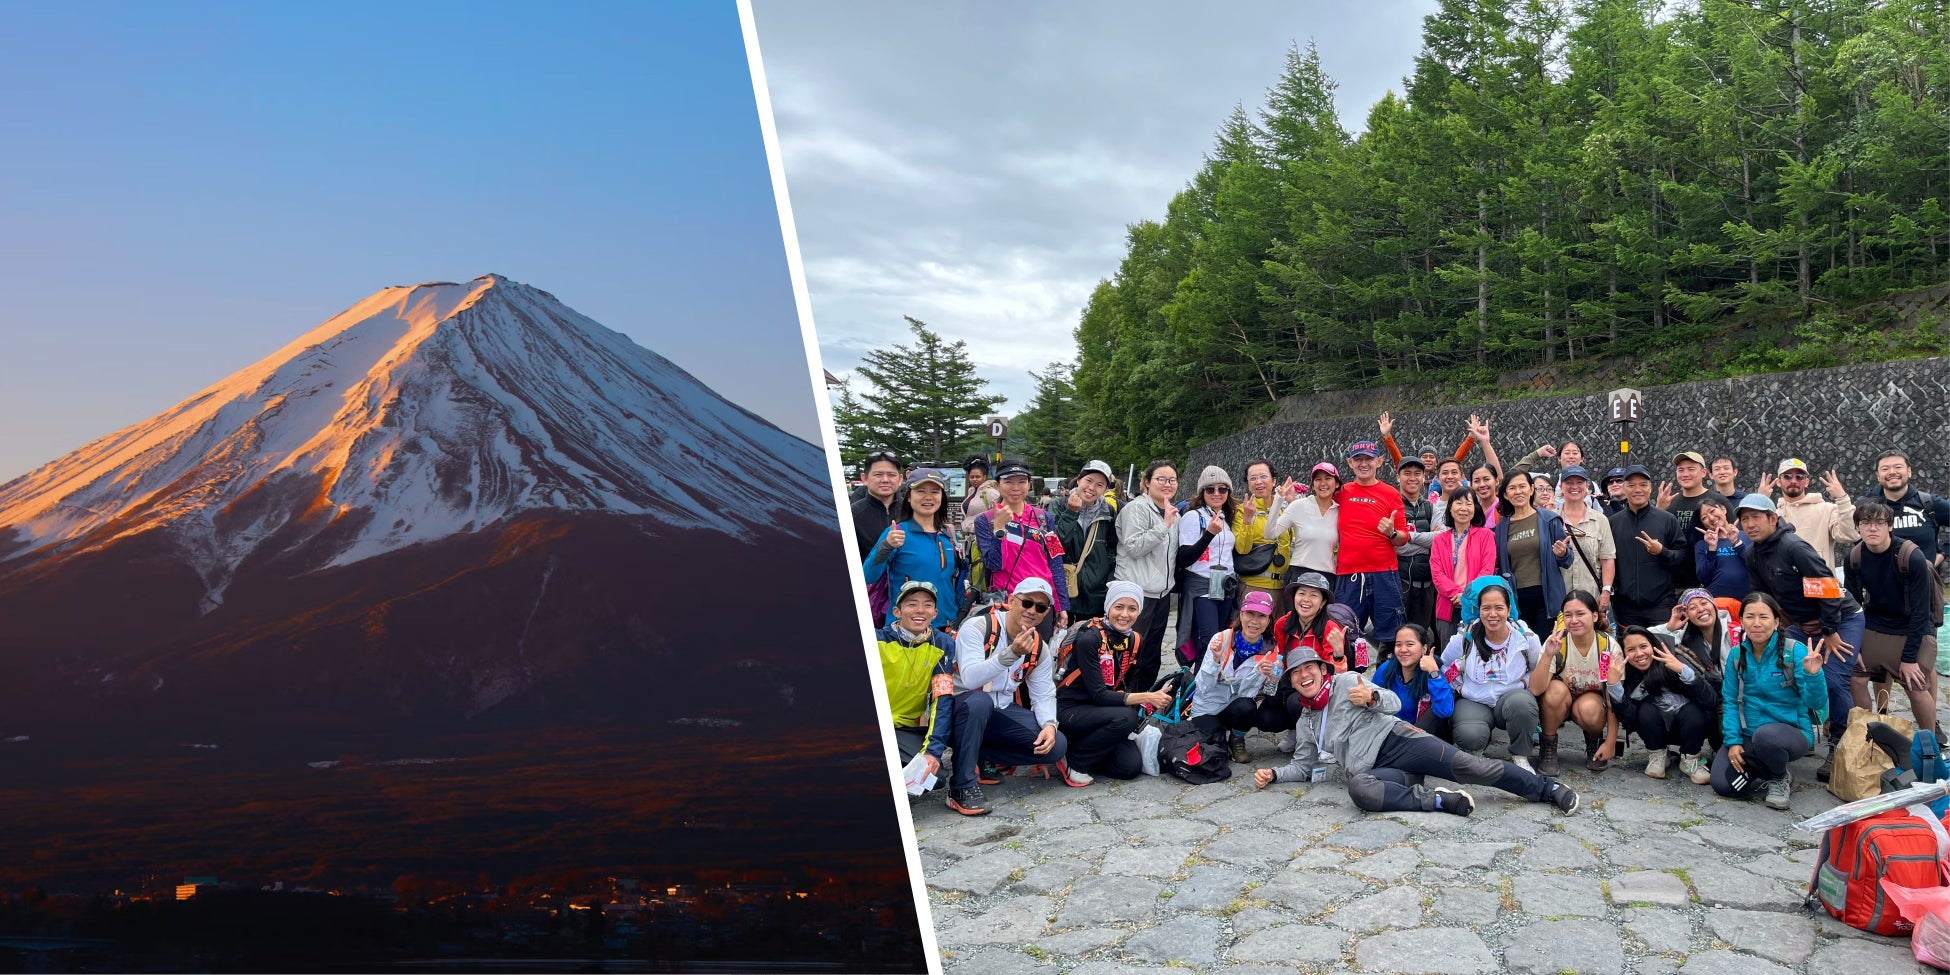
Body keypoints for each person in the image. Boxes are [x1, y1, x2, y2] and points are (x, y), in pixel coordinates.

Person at [1254, 645, 1579, 817]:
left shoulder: (1344, 682)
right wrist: (1274, 774)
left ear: (1322, 670)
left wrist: (1372, 697)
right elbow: (1302, 765)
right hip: (1375, 770)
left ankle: (1546, 790)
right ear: (1293, 683)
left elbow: (1393, 703)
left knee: (1474, 768)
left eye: (1309, 668)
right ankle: (1437, 801)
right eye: (1296, 674)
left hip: (1400, 741)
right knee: (1360, 792)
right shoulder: (1306, 720)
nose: (1304, 676)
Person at [1735, 494, 1865, 783]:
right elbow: (1763, 599)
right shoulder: (1752, 554)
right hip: (1801, 623)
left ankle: (1840, 745)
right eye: (1745, 519)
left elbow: (1829, 587)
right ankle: (1796, 730)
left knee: (1831, 679)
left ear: (1773, 519)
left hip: (1841, 618)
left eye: (1756, 517)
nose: (1750, 524)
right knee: (1783, 666)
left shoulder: (1793, 547)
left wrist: (1830, 632)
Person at [947, 578, 1070, 815]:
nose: (1032, 610)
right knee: (979, 702)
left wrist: (1049, 726)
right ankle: (961, 787)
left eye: (1041, 608)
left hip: (998, 710)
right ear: (1011, 601)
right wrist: (1011, 654)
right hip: (960, 708)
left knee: (1056, 746)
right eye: (1027, 602)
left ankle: (979, 754)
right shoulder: (977, 627)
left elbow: (1043, 694)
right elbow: (972, 679)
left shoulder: (1039, 647)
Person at [1712, 592, 1828, 810]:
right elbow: (1729, 701)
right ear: (1742, 621)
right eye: (1750, 617)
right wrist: (1733, 742)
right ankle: (1767, 766)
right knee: (1723, 785)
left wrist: (1814, 675)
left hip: (1790, 734)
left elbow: (1817, 702)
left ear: (1776, 622)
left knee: (1766, 737)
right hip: (1749, 734)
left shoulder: (1795, 652)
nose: (1757, 623)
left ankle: (1779, 776)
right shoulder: (1737, 656)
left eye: (1763, 617)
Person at [1055, 581, 1174, 783]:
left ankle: (1077, 747)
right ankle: (1076, 761)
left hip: (1104, 711)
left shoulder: (1135, 640)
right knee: (1126, 717)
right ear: (1107, 608)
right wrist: (1148, 697)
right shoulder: (1089, 639)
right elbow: (1099, 695)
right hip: (1072, 709)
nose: (1124, 615)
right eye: (1119, 607)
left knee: (1129, 767)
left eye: (1132, 609)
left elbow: (1125, 685)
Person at [1843, 501, 1939, 741]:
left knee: (1915, 685)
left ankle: (1929, 743)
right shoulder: (1854, 557)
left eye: (1879, 523)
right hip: (1876, 623)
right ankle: (1866, 737)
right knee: (1856, 677)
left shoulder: (1910, 556)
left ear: (1890, 527)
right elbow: (1852, 606)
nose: (1872, 528)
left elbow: (1920, 611)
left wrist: (1908, 659)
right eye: (1865, 523)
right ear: (1858, 527)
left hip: (1912, 626)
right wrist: (1855, 646)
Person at [1440, 578, 1549, 772]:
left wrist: (1524, 683)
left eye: (1499, 608)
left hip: (1511, 698)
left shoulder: (1525, 638)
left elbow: (1536, 667)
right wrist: (1460, 687)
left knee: (1523, 705)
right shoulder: (1465, 637)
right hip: (1474, 699)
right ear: (1478, 610)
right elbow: (1445, 666)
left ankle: (1520, 755)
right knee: (1469, 735)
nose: (1492, 614)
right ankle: (1477, 746)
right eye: (1486, 608)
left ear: (1509, 610)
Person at [1333, 440, 1413, 653]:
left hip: (1384, 573)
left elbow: (1403, 537)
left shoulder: (1391, 493)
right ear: (1350, 463)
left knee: (1393, 635)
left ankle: (1389, 678)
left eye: (1368, 458)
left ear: (1379, 461)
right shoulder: (1340, 492)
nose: (1363, 463)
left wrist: (1392, 533)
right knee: (1344, 633)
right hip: (1349, 574)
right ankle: (1347, 678)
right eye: (1358, 459)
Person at [1189, 590, 1287, 761]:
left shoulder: (1271, 651)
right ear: (1241, 614)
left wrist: (1261, 675)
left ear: (1269, 620)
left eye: (1261, 616)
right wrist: (1215, 661)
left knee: (1247, 707)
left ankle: (1237, 738)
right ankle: (1220, 735)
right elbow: (1203, 687)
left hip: (1236, 706)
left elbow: (1249, 695)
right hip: (1208, 706)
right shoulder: (1221, 639)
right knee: (1215, 752)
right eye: (1250, 613)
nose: (1255, 621)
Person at [876, 581, 956, 791]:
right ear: (897, 611)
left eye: (927, 605)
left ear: (935, 613)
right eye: (912, 604)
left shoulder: (943, 644)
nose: (920, 610)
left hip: (902, 729)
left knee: (934, 778)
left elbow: (942, 699)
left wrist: (933, 751)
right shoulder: (877, 640)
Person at [862, 469, 964, 631]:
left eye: (935, 492)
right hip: (905, 628)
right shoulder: (896, 532)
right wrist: (886, 546)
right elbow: (868, 576)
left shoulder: (949, 533)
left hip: (946, 624)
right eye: (921, 491)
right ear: (909, 497)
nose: (928, 497)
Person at [976, 460, 1070, 633]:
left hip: (1041, 604)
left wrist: (1061, 604)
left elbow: (1055, 562)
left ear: (1029, 484)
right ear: (998, 485)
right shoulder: (985, 520)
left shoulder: (1044, 518)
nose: (1015, 487)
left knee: (1037, 655)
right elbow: (994, 564)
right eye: (1008, 481)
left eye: (1021, 481)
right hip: (1008, 602)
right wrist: (999, 529)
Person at [1617, 625, 1718, 784]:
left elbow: (1711, 700)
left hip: (1689, 726)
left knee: (1694, 711)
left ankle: (1690, 760)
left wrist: (1682, 670)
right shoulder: (1625, 672)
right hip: (1656, 727)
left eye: (1643, 646)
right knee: (1644, 710)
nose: (1639, 654)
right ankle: (1658, 755)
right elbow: (1628, 719)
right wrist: (1614, 687)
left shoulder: (1676, 655)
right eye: (1631, 650)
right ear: (1624, 653)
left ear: (1653, 645)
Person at [1112, 461, 1180, 695]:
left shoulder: (1171, 512)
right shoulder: (1136, 509)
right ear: (1147, 483)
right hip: (1136, 593)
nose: (1167, 484)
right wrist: (1164, 526)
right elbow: (1134, 547)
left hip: (1161, 594)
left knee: (1151, 656)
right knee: (1129, 655)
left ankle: (1146, 703)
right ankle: (1123, 702)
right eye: (1161, 479)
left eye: (1172, 480)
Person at [1536, 591, 1622, 775]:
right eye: (1568, 615)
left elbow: (1613, 697)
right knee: (1554, 691)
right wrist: (1548, 654)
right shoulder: (1558, 642)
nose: (1573, 620)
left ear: (1594, 615)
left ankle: (1594, 741)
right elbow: (1536, 689)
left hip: (1590, 701)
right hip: (1561, 700)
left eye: (1580, 614)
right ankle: (1548, 746)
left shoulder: (1606, 647)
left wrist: (1611, 742)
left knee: (1590, 709)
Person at [1493, 470, 1574, 633]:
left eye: (1522, 486)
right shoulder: (1502, 527)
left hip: (1547, 597)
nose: (1518, 491)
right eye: (1512, 488)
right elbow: (1500, 565)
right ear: (1506, 495)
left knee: (1548, 648)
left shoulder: (1549, 519)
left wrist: (1562, 553)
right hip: (1516, 599)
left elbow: (1568, 560)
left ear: (1531, 490)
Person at [1176, 465, 1239, 668]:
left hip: (1224, 585)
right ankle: (1198, 694)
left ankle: (1213, 686)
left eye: (1222, 489)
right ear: (1202, 492)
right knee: (1209, 641)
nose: (1217, 493)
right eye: (1210, 489)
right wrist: (1209, 534)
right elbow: (1185, 557)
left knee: (1222, 638)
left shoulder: (1226, 518)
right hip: (1202, 586)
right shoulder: (1193, 517)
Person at [1609, 465, 1688, 628]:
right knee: (1631, 651)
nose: (1638, 489)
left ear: (1650, 488)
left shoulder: (1667, 519)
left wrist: (1662, 552)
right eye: (1631, 485)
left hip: (1661, 605)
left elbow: (1682, 556)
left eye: (1643, 484)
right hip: (1626, 607)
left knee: (1662, 650)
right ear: (1624, 488)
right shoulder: (1613, 522)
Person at [1048, 459, 1120, 621]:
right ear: (1079, 479)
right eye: (1088, 480)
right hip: (1063, 588)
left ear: (1105, 489)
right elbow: (1053, 547)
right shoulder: (1057, 505)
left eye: (1100, 485)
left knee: (1090, 642)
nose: (1092, 488)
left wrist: (1101, 571)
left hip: (1095, 593)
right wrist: (1071, 513)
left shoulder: (1108, 511)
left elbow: (1113, 547)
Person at [1858, 450, 1950, 573]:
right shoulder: (1865, 505)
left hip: (1924, 584)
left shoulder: (1929, 503)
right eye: (1885, 469)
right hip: (1879, 585)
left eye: (1898, 467)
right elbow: (1849, 534)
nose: (1892, 472)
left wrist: (1944, 553)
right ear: (1878, 476)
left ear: (1909, 471)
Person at [1431, 487, 1498, 649]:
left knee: (1476, 652)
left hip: (1475, 605)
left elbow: (1487, 570)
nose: (1463, 508)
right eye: (1458, 503)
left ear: (1475, 508)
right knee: (1450, 657)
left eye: (1469, 503)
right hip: (1447, 606)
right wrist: (1456, 594)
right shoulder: (1440, 540)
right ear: (1450, 508)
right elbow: (1437, 574)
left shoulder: (1486, 535)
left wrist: (1466, 596)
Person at [1763, 458, 1856, 570]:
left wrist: (1842, 498)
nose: (1793, 481)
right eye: (1787, 476)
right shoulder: (1773, 516)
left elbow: (1850, 535)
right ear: (1779, 481)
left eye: (1800, 477)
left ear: (1806, 482)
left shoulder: (1827, 510)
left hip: (1821, 583)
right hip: (1783, 584)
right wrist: (1760, 502)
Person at [1372, 623, 1456, 741]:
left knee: (1434, 714)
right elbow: (1373, 701)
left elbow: (1444, 711)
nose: (1403, 650)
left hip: (1424, 735)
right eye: (1398, 645)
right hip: (1392, 731)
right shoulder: (1387, 669)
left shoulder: (1432, 671)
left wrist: (1434, 673)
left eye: (1410, 644)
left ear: (1424, 649)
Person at [1659, 452, 1729, 593]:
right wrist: (1659, 509)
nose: (1685, 474)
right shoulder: (1670, 503)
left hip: (1709, 582)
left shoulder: (1718, 502)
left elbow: (1732, 537)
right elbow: (1661, 538)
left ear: (1703, 472)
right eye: (1681, 470)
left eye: (1691, 469)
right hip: (1674, 583)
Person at [1556, 466, 1618, 622]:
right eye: (1569, 482)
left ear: (1587, 487)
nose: (1574, 487)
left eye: (1580, 482)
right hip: (1560, 597)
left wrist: (1606, 592)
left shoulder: (1600, 520)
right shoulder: (1551, 519)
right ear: (1561, 487)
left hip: (1592, 595)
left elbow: (1607, 558)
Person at [1234, 459, 1293, 619]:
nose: (1258, 482)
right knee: (1254, 636)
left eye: (1263, 476)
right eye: (1252, 478)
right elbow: (1241, 549)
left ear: (1274, 481)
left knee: (1280, 637)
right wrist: (1247, 520)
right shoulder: (1242, 511)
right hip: (1255, 585)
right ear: (1248, 484)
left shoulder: (1285, 509)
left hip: (1283, 587)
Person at [1651, 589, 1740, 693]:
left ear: (1714, 606)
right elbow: (1645, 636)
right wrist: (1669, 627)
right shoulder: (1685, 638)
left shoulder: (1736, 633)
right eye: (1693, 607)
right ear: (1686, 615)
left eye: (1704, 603)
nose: (1701, 609)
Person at [1271, 462, 1342, 586]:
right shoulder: (1299, 506)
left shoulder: (1340, 511)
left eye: (1328, 478)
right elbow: (1270, 534)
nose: (1323, 483)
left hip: (1328, 576)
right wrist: (1278, 500)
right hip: (1299, 573)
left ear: (1336, 484)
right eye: (1318, 479)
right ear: (1313, 485)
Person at [852, 450, 904, 619]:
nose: (885, 480)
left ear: (900, 479)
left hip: (905, 599)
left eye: (891, 474)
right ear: (864, 478)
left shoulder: (913, 512)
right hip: (867, 598)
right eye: (878, 474)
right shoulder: (852, 514)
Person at [1394, 456, 1439, 631]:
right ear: (1398, 477)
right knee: (1393, 637)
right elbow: (1396, 546)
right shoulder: (1391, 505)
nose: (1413, 478)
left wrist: (1408, 536)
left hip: (1427, 584)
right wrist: (1427, 539)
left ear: (1423, 476)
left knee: (1420, 636)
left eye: (1417, 473)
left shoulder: (1430, 507)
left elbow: (1441, 539)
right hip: (1400, 582)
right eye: (1407, 473)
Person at [1692, 496, 1751, 601]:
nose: (1711, 517)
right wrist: (1712, 548)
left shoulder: (1747, 536)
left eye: (1712, 511)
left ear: (1723, 509)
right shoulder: (1702, 545)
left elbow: (1756, 565)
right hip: (1717, 602)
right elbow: (1704, 578)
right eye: (1704, 517)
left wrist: (1736, 542)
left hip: (1748, 601)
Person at [1430, 459, 1468, 529]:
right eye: (1445, 473)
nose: (1450, 477)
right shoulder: (1431, 508)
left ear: (1462, 477)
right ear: (1437, 478)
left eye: (1454, 472)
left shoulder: (1472, 503)